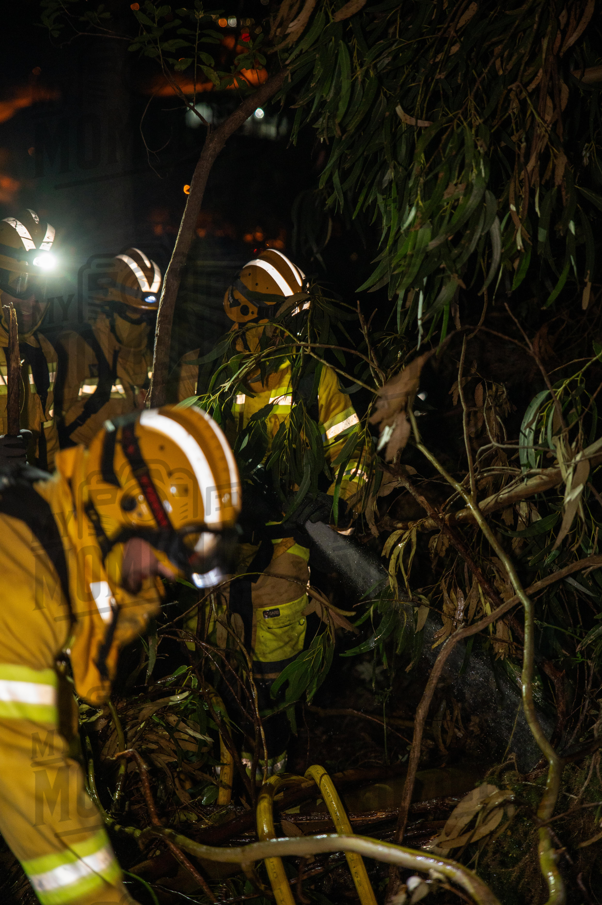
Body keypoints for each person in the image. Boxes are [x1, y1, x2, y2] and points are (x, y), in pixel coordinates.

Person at [0, 404, 240, 905]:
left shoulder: (54, 532)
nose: (170, 574)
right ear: (124, 510)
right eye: (173, 550)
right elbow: (29, 770)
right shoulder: (19, 579)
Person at [175, 249, 370, 778]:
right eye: (284, 318)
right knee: (210, 662)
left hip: (284, 548)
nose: (293, 331)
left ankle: (270, 778)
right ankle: (212, 781)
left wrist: (333, 503)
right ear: (243, 311)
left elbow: (355, 458)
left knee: (275, 672)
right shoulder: (199, 371)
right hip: (211, 547)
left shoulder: (314, 379)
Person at [55, 248, 161, 448]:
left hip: (125, 458)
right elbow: (49, 422)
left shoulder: (148, 355)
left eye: (148, 314)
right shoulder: (76, 347)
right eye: (134, 310)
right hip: (79, 458)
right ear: (111, 304)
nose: (142, 319)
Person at [0, 209, 60, 469]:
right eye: (20, 285)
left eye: (42, 288)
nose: (32, 301)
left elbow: (49, 438)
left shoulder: (44, 351)